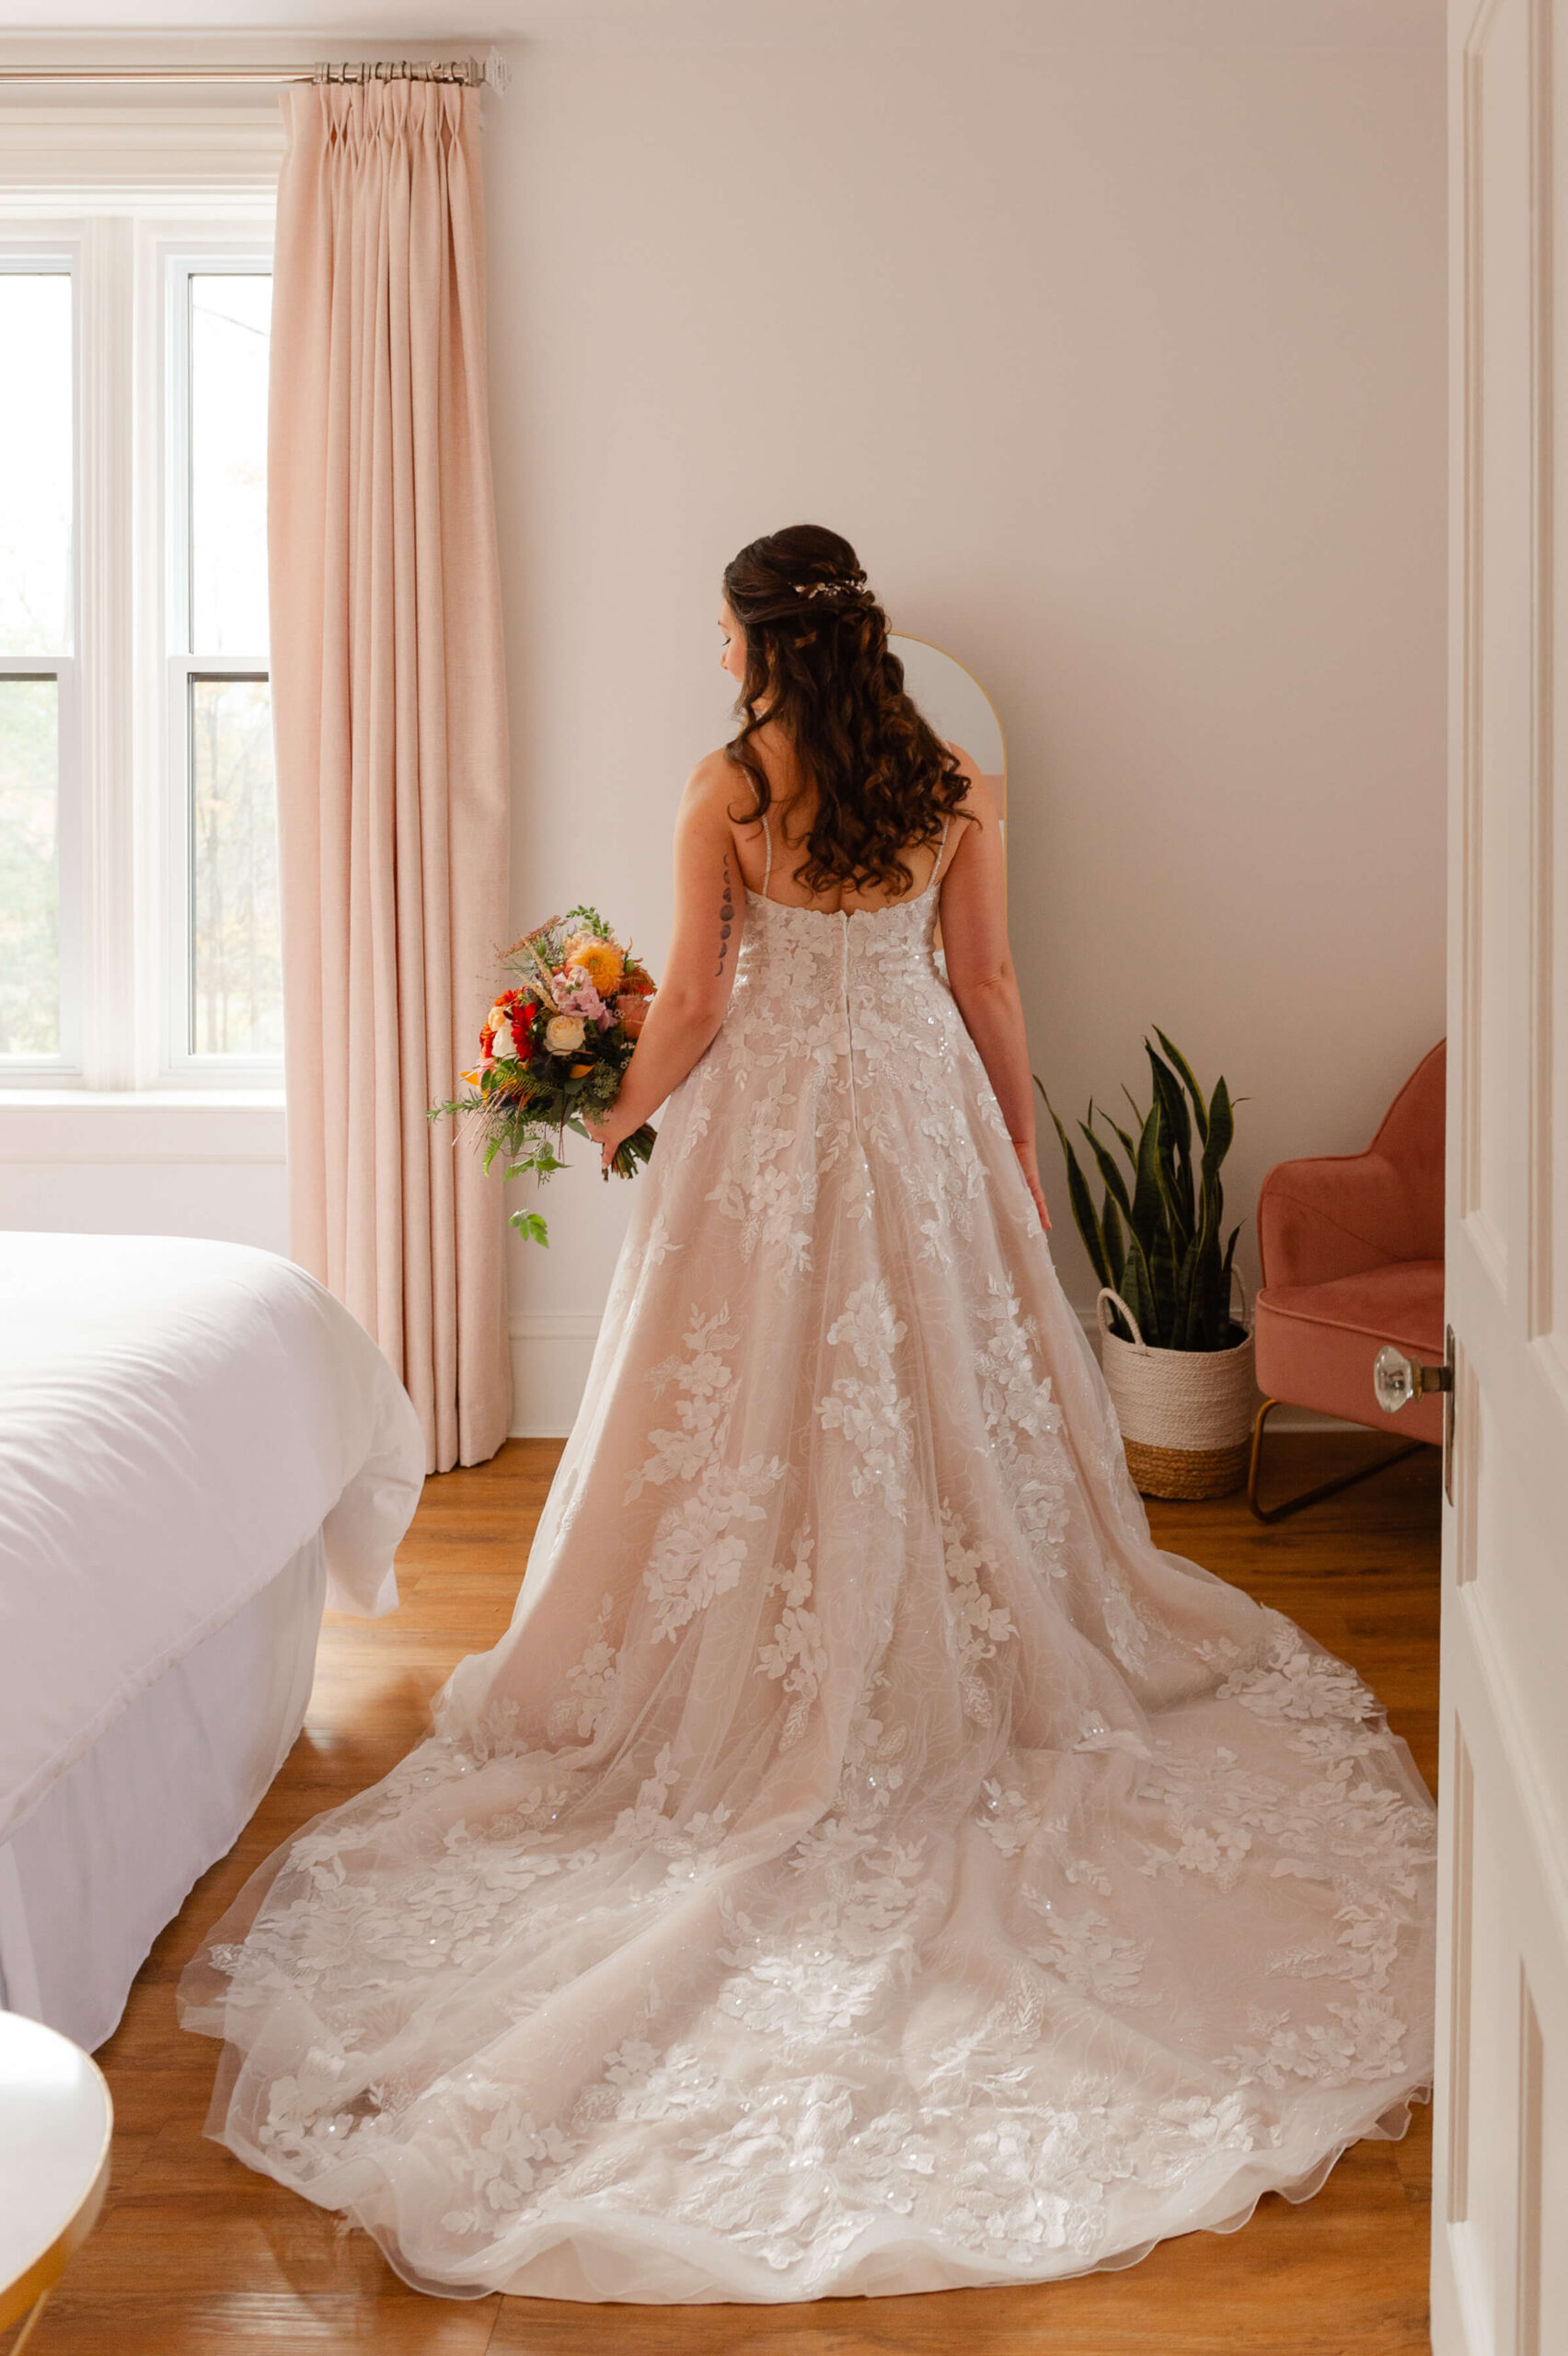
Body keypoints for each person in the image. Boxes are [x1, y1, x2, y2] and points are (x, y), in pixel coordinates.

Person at [180, 524, 1436, 2306]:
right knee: (937, 1387)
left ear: (760, 640)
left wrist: (617, 1114)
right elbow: (988, 986)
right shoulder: (955, 782)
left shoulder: (731, 786)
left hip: (771, 1121)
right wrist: (1013, 1143)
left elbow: (699, 998)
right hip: (916, 1108)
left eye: (722, 628)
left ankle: (750, 1664)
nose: (714, 652)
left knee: (744, 1393)